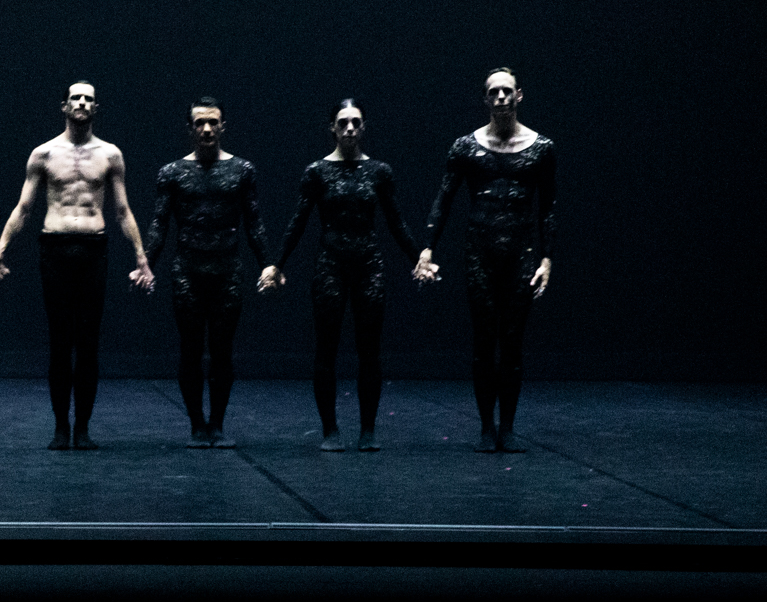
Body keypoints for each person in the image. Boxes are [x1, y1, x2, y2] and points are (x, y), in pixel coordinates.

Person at [0, 81, 154, 449]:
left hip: (93, 249)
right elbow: (23, 208)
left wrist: (141, 257)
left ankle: (84, 428)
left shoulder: (110, 155)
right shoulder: (43, 154)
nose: (81, 102)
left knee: (88, 343)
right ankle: (61, 427)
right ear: (64, 106)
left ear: (96, 108)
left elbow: (123, 211)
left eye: (88, 98)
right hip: (55, 249)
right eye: (75, 97)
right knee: (60, 342)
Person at [261, 98, 418, 452]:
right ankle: (330, 430)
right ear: (332, 128)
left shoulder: (379, 171)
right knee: (326, 349)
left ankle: (367, 430)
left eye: (356, 122)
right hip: (330, 265)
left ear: (364, 128)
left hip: (368, 265)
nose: (350, 128)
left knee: (369, 351)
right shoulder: (317, 171)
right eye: (343, 122)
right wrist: (277, 264)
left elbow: (395, 221)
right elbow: (297, 221)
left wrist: (417, 258)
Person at [413, 68, 556, 453]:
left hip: (521, 255)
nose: (501, 98)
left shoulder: (541, 148)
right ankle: (485, 426)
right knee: (483, 341)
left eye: (507, 91)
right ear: (486, 99)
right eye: (494, 93)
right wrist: (427, 248)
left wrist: (547, 258)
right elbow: (444, 199)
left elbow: (548, 207)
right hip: (480, 252)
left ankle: (507, 426)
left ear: (519, 95)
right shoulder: (465, 147)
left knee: (511, 342)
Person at [146, 97, 269, 447]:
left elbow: (254, 221)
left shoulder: (242, 170)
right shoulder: (172, 173)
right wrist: (146, 264)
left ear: (222, 126)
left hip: (227, 270)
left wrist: (268, 263)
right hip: (188, 270)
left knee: (222, 351)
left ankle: (217, 423)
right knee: (189, 349)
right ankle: (197, 424)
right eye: (200, 122)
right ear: (190, 129)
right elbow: (159, 222)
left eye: (213, 122)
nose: (207, 129)